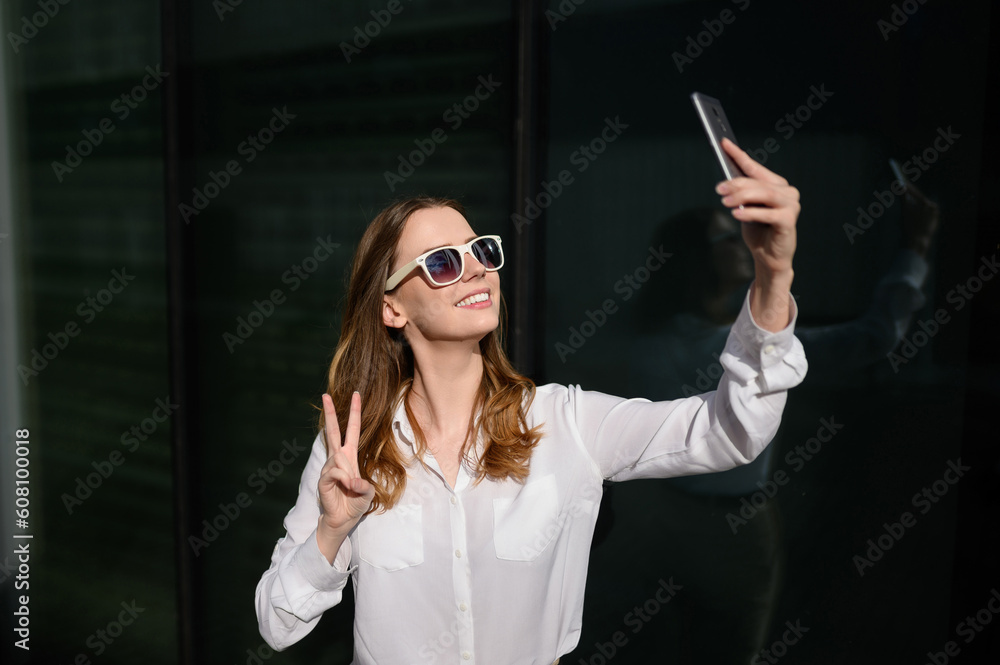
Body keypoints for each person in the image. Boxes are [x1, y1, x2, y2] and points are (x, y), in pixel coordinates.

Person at [254, 139, 808, 664]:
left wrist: (773, 275)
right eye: (442, 262)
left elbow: (730, 431)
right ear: (392, 308)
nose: (476, 268)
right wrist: (331, 531)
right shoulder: (352, 450)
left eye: (481, 251)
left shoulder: (567, 423)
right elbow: (277, 625)